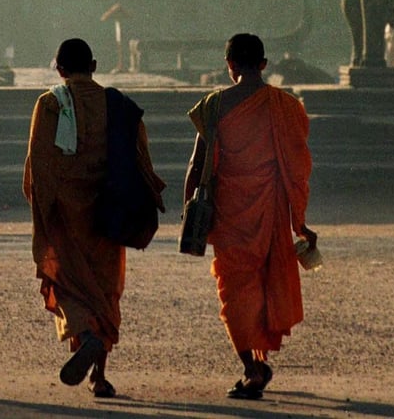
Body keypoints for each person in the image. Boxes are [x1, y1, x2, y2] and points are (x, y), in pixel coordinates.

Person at [23, 37, 165, 399]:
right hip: (107, 211)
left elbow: (38, 164)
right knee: (104, 293)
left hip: (65, 218)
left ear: (59, 69)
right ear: (95, 66)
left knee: (69, 284)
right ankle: (99, 376)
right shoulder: (115, 105)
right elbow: (140, 155)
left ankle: (85, 335)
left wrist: (42, 209)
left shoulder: (51, 102)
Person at [183, 33, 317, 400]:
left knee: (236, 293)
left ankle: (252, 369)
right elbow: (297, 170)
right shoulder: (286, 106)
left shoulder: (215, 105)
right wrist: (299, 222)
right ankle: (255, 363)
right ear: (263, 64)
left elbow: (197, 165)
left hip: (229, 213)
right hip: (272, 210)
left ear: (230, 66)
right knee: (261, 285)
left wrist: (189, 212)